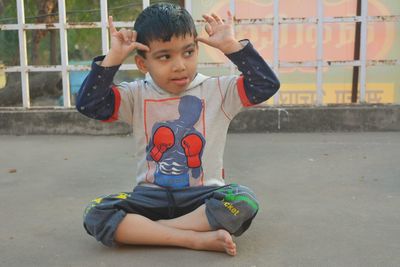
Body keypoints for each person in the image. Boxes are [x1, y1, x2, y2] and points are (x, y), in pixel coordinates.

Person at [76, 3, 280, 256]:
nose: (180, 65)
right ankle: (193, 239)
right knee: (96, 212)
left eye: (188, 52)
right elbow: (89, 104)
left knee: (242, 200)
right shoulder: (136, 95)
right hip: (149, 197)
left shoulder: (219, 91)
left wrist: (232, 47)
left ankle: (153, 232)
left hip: (203, 198)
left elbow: (265, 85)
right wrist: (114, 58)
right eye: (164, 56)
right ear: (142, 63)